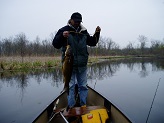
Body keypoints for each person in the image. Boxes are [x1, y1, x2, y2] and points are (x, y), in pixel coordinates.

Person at [52, 12, 101, 108]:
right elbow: (55, 44)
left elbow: (92, 42)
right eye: (75, 21)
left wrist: (97, 33)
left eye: (79, 21)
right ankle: (71, 106)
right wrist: (62, 36)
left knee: (83, 86)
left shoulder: (83, 31)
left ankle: (83, 105)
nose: (77, 23)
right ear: (71, 20)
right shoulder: (64, 30)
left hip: (82, 65)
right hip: (69, 65)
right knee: (70, 86)